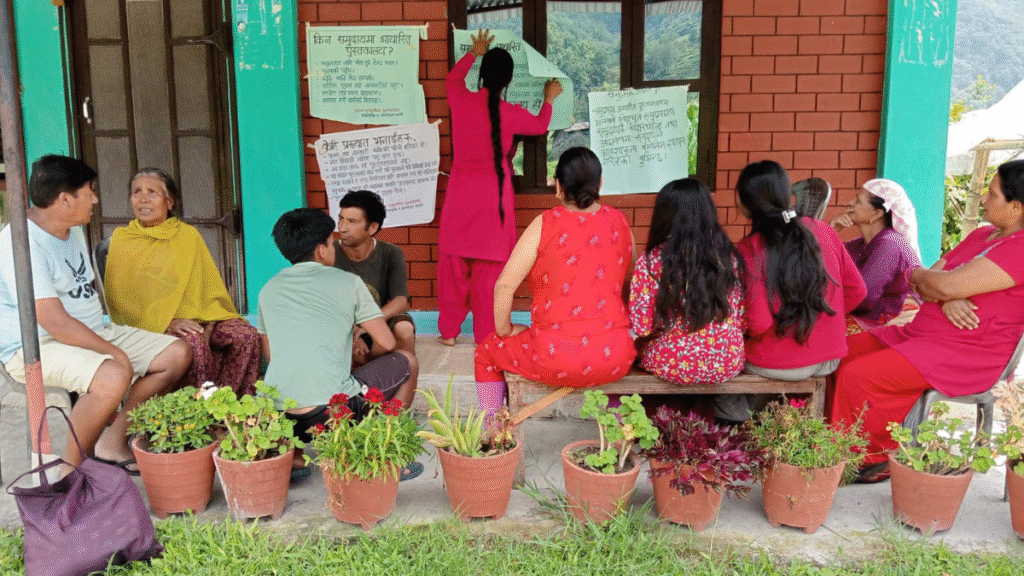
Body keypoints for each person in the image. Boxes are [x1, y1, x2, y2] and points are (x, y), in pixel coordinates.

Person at [831, 160, 1024, 482]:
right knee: (839, 353)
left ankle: (869, 458)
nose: (983, 197)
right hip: (919, 335)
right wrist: (945, 291)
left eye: (992, 193)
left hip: (967, 351)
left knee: (859, 375)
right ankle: (835, 442)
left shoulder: (1019, 249)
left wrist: (945, 288)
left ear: (1016, 207)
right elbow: (922, 276)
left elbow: (941, 282)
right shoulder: (981, 235)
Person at [0, 155, 191, 470]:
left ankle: (112, 441)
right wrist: (115, 352)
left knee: (176, 354)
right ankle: (70, 474)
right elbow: (55, 322)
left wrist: (116, 339)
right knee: (113, 374)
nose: (95, 200)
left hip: (91, 332)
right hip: (35, 346)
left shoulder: (71, 229)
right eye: (89, 192)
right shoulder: (20, 243)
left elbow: (87, 293)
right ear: (65, 199)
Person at [260, 208, 421, 480]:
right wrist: (364, 358)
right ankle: (381, 450)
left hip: (279, 416)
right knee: (408, 362)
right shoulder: (348, 282)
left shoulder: (269, 288)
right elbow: (387, 341)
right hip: (331, 413)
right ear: (322, 251)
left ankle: (294, 457)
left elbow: (270, 355)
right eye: (331, 242)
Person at [474, 147, 636, 415]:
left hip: (554, 357)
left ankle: (494, 431)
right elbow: (632, 280)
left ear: (558, 186)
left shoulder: (545, 223)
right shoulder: (620, 222)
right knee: (609, 371)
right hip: (616, 355)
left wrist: (504, 331)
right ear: (600, 183)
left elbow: (504, 285)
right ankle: (619, 434)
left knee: (487, 353)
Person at [715, 160, 866, 422]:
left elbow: (760, 323)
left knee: (720, 368)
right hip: (829, 358)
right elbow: (857, 291)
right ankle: (778, 419)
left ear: (742, 202)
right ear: (788, 195)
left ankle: (740, 420)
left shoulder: (751, 249)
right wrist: (823, 320)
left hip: (780, 362)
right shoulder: (824, 230)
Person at [438, 29, 562, 346]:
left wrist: (474, 52)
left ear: (481, 75)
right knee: (489, 274)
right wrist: (548, 100)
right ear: (508, 80)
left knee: (453, 268)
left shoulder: (461, 100)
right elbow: (539, 126)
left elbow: (452, 81)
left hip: (460, 196)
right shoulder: (511, 113)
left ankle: (449, 334)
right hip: (495, 200)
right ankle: (485, 337)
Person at [104, 168, 260, 397]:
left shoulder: (187, 235)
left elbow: (206, 287)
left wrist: (207, 321)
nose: (143, 198)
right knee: (193, 343)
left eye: (152, 192)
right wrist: (167, 322)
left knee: (246, 336)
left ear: (170, 201)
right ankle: (194, 418)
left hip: (199, 316)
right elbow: (121, 300)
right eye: (137, 192)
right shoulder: (122, 239)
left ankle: (228, 410)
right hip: (151, 324)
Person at [628, 178, 746, 385]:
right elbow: (740, 319)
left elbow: (641, 325)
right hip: (727, 359)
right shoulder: (729, 256)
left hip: (673, 361)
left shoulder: (652, 260)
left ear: (664, 215)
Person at [334, 190, 416, 363]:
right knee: (347, 350)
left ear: (372, 227)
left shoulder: (390, 252)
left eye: (352, 221)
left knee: (404, 329)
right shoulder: (329, 253)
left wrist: (367, 325)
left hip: (381, 318)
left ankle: (404, 375)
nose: (342, 227)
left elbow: (400, 300)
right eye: (341, 218)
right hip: (343, 324)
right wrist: (352, 330)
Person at [829, 178, 922, 329]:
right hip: (871, 316)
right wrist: (831, 230)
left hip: (893, 323)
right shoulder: (860, 245)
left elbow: (864, 298)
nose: (850, 203)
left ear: (876, 213)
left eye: (858, 200)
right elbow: (823, 268)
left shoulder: (889, 244)